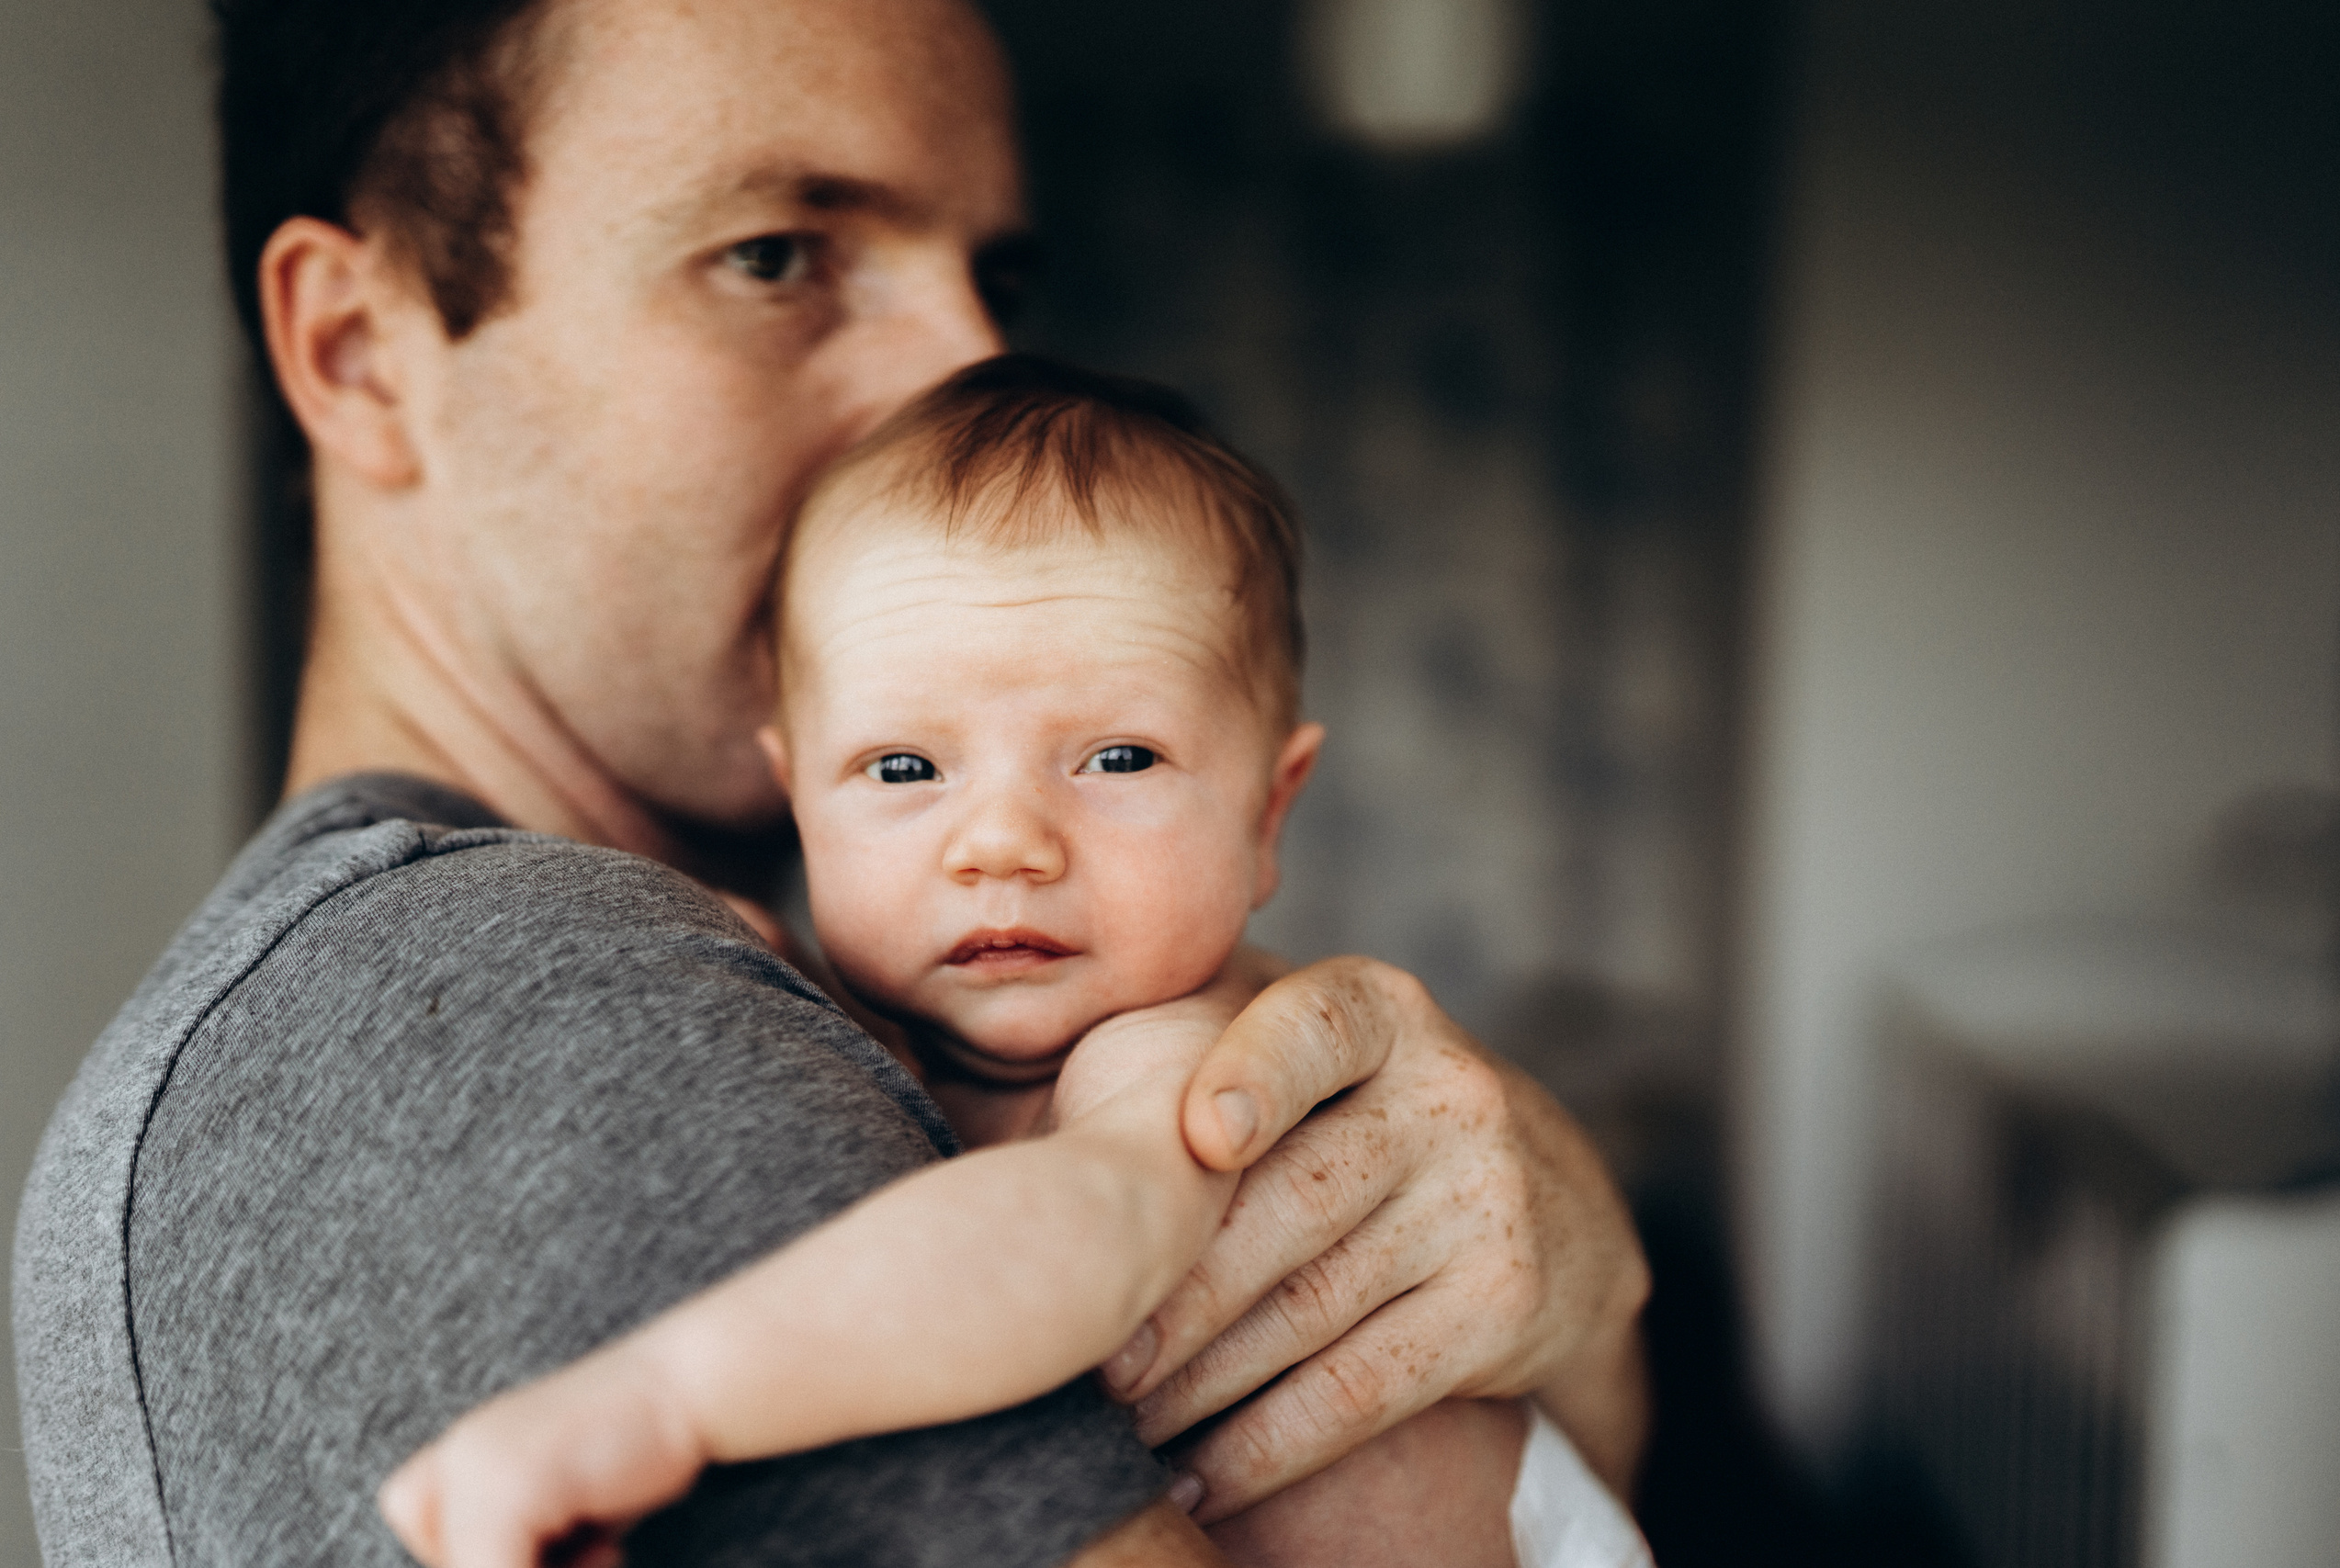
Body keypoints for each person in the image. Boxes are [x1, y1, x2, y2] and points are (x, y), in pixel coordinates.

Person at [11, 1, 1651, 1564]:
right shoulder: (525, 996)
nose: (966, 367)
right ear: (361, 352)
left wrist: (1575, 1291)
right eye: (776, 255)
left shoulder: (805, 980)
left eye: (996, 271)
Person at [376, 357, 1653, 1568]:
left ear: (1269, 813)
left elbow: (1068, 1237)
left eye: (1116, 758)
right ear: (799, 803)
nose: (1002, 842)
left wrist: (667, 1393)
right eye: (903, 769)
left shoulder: (1186, 1051)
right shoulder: (810, 1007)